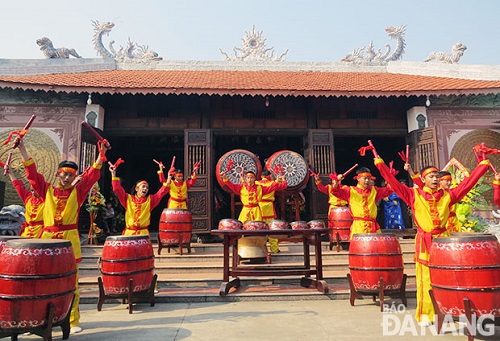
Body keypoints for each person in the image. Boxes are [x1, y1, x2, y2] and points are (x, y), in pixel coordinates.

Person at [372, 151, 490, 325]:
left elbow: (468, 184)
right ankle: (426, 314)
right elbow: (393, 182)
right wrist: (380, 163)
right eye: (432, 176)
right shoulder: (413, 195)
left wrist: (483, 165)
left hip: (443, 242)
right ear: (424, 179)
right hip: (425, 242)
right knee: (426, 279)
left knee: (449, 278)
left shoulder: (448, 196)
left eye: (437, 177)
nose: (435, 180)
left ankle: (451, 311)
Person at [19, 138, 110, 334]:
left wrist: (101, 155)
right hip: (46, 241)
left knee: (71, 282)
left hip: (69, 241)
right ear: (57, 174)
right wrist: (23, 149)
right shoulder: (47, 190)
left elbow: (93, 175)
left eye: (71, 175)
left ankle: (72, 319)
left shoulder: (78, 191)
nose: (67, 178)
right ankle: (35, 319)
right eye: (64, 174)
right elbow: (33, 176)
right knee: (40, 282)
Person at [328, 167, 393, 239]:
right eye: (365, 178)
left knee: (376, 249)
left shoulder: (374, 191)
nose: (367, 180)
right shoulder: (351, 191)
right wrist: (336, 182)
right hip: (358, 226)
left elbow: (389, 190)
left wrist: (390, 177)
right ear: (358, 179)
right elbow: (335, 191)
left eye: (369, 178)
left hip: (373, 227)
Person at [110, 162, 170, 236]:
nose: (145, 189)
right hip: (129, 234)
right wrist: (113, 174)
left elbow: (162, 192)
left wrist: (169, 178)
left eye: (147, 187)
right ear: (136, 188)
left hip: (143, 234)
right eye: (143, 186)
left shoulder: (150, 200)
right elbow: (117, 189)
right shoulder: (127, 199)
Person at [221, 171, 287, 223]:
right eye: (248, 178)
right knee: (243, 227)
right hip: (245, 211)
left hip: (256, 211)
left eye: (251, 178)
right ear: (246, 179)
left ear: (255, 179)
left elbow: (273, 187)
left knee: (258, 227)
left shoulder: (260, 188)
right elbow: (231, 185)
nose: (250, 180)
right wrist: (225, 178)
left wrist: (283, 182)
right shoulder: (241, 187)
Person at [4, 165, 44, 238]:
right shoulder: (28, 198)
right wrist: (11, 173)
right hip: (27, 232)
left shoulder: (47, 199)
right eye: (32, 190)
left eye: (36, 191)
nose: (33, 193)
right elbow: (18, 186)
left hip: (41, 233)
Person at [255, 170, 283, 253]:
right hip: (269, 207)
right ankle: (274, 249)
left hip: (258, 207)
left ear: (261, 176)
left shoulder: (256, 183)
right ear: (269, 176)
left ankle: (258, 249)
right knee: (272, 228)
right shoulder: (272, 183)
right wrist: (281, 180)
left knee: (258, 228)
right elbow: (283, 186)